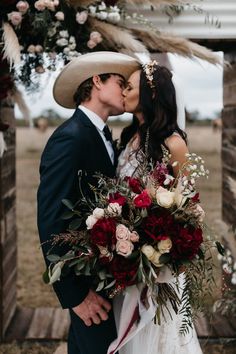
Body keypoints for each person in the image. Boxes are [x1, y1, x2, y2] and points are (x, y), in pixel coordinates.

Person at [37, 51, 140, 354]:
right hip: (86, 287)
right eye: (120, 82)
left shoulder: (103, 135)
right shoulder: (70, 137)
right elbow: (51, 218)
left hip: (107, 277)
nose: (125, 91)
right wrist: (76, 296)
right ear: (97, 81)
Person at [108, 61, 203, 354]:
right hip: (126, 259)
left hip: (158, 264)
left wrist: (160, 248)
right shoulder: (128, 137)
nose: (123, 92)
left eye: (129, 87)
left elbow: (185, 207)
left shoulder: (173, 143)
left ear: (148, 94)